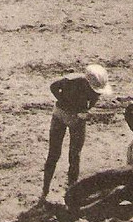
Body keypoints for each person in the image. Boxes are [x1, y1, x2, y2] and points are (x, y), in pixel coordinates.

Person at [40, 64, 113, 203]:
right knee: (54, 153)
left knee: (74, 155)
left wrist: (85, 112)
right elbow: (53, 87)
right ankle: (45, 190)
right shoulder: (71, 81)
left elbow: (92, 102)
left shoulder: (96, 91)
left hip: (77, 118)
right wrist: (66, 103)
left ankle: (71, 192)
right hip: (60, 115)